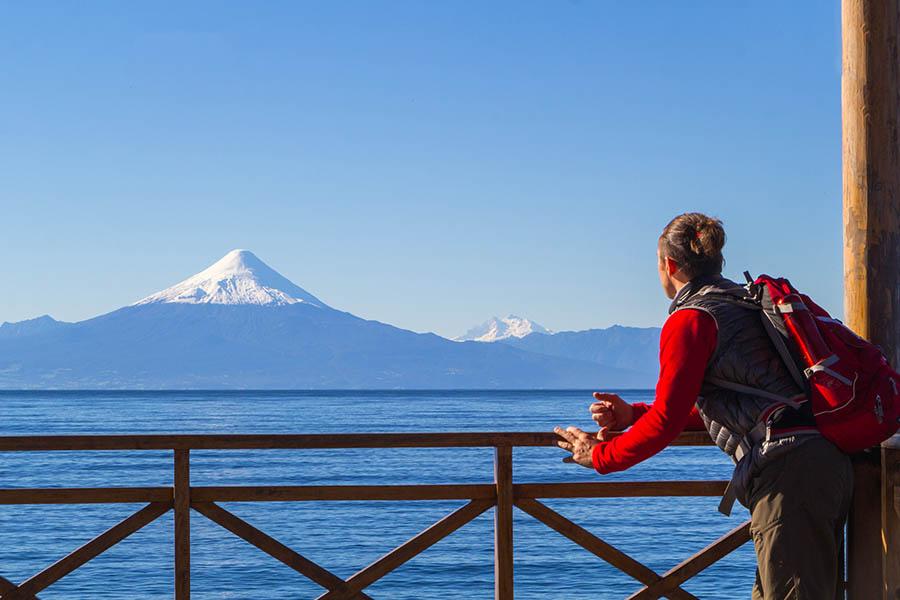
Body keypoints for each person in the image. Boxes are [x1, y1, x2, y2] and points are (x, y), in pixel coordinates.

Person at [554, 212, 853, 600]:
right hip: (821, 464)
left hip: (788, 476)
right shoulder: (744, 304)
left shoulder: (691, 319)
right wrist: (633, 416)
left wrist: (599, 456)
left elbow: (667, 420)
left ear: (669, 265)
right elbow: (733, 404)